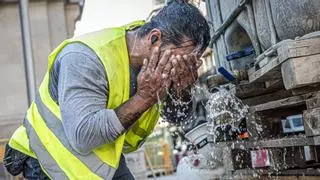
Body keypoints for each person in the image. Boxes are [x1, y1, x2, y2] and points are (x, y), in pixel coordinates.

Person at [4, 1, 210, 179]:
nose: (181, 68)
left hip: (100, 156)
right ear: (154, 39)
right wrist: (144, 97)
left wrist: (181, 90)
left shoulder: (157, 63)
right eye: (181, 60)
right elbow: (84, 136)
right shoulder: (84, 59)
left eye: (190, 63)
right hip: (49, 158)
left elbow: (174, 116)